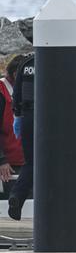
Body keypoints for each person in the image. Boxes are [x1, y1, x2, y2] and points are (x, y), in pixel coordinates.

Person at [7, 53, 35, 220]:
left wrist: (18, 115)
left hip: (27, 117)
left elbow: (16, 94)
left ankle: (17, 195)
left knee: (31, 162)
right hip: (51, 120)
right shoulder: (57, 59)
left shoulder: (26, 63)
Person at [0, 55, 26, 201]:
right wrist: (2, 160)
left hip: (26, 162)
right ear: (16, 74)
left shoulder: (25, 91)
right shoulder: (2, 91)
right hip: (8, 166)